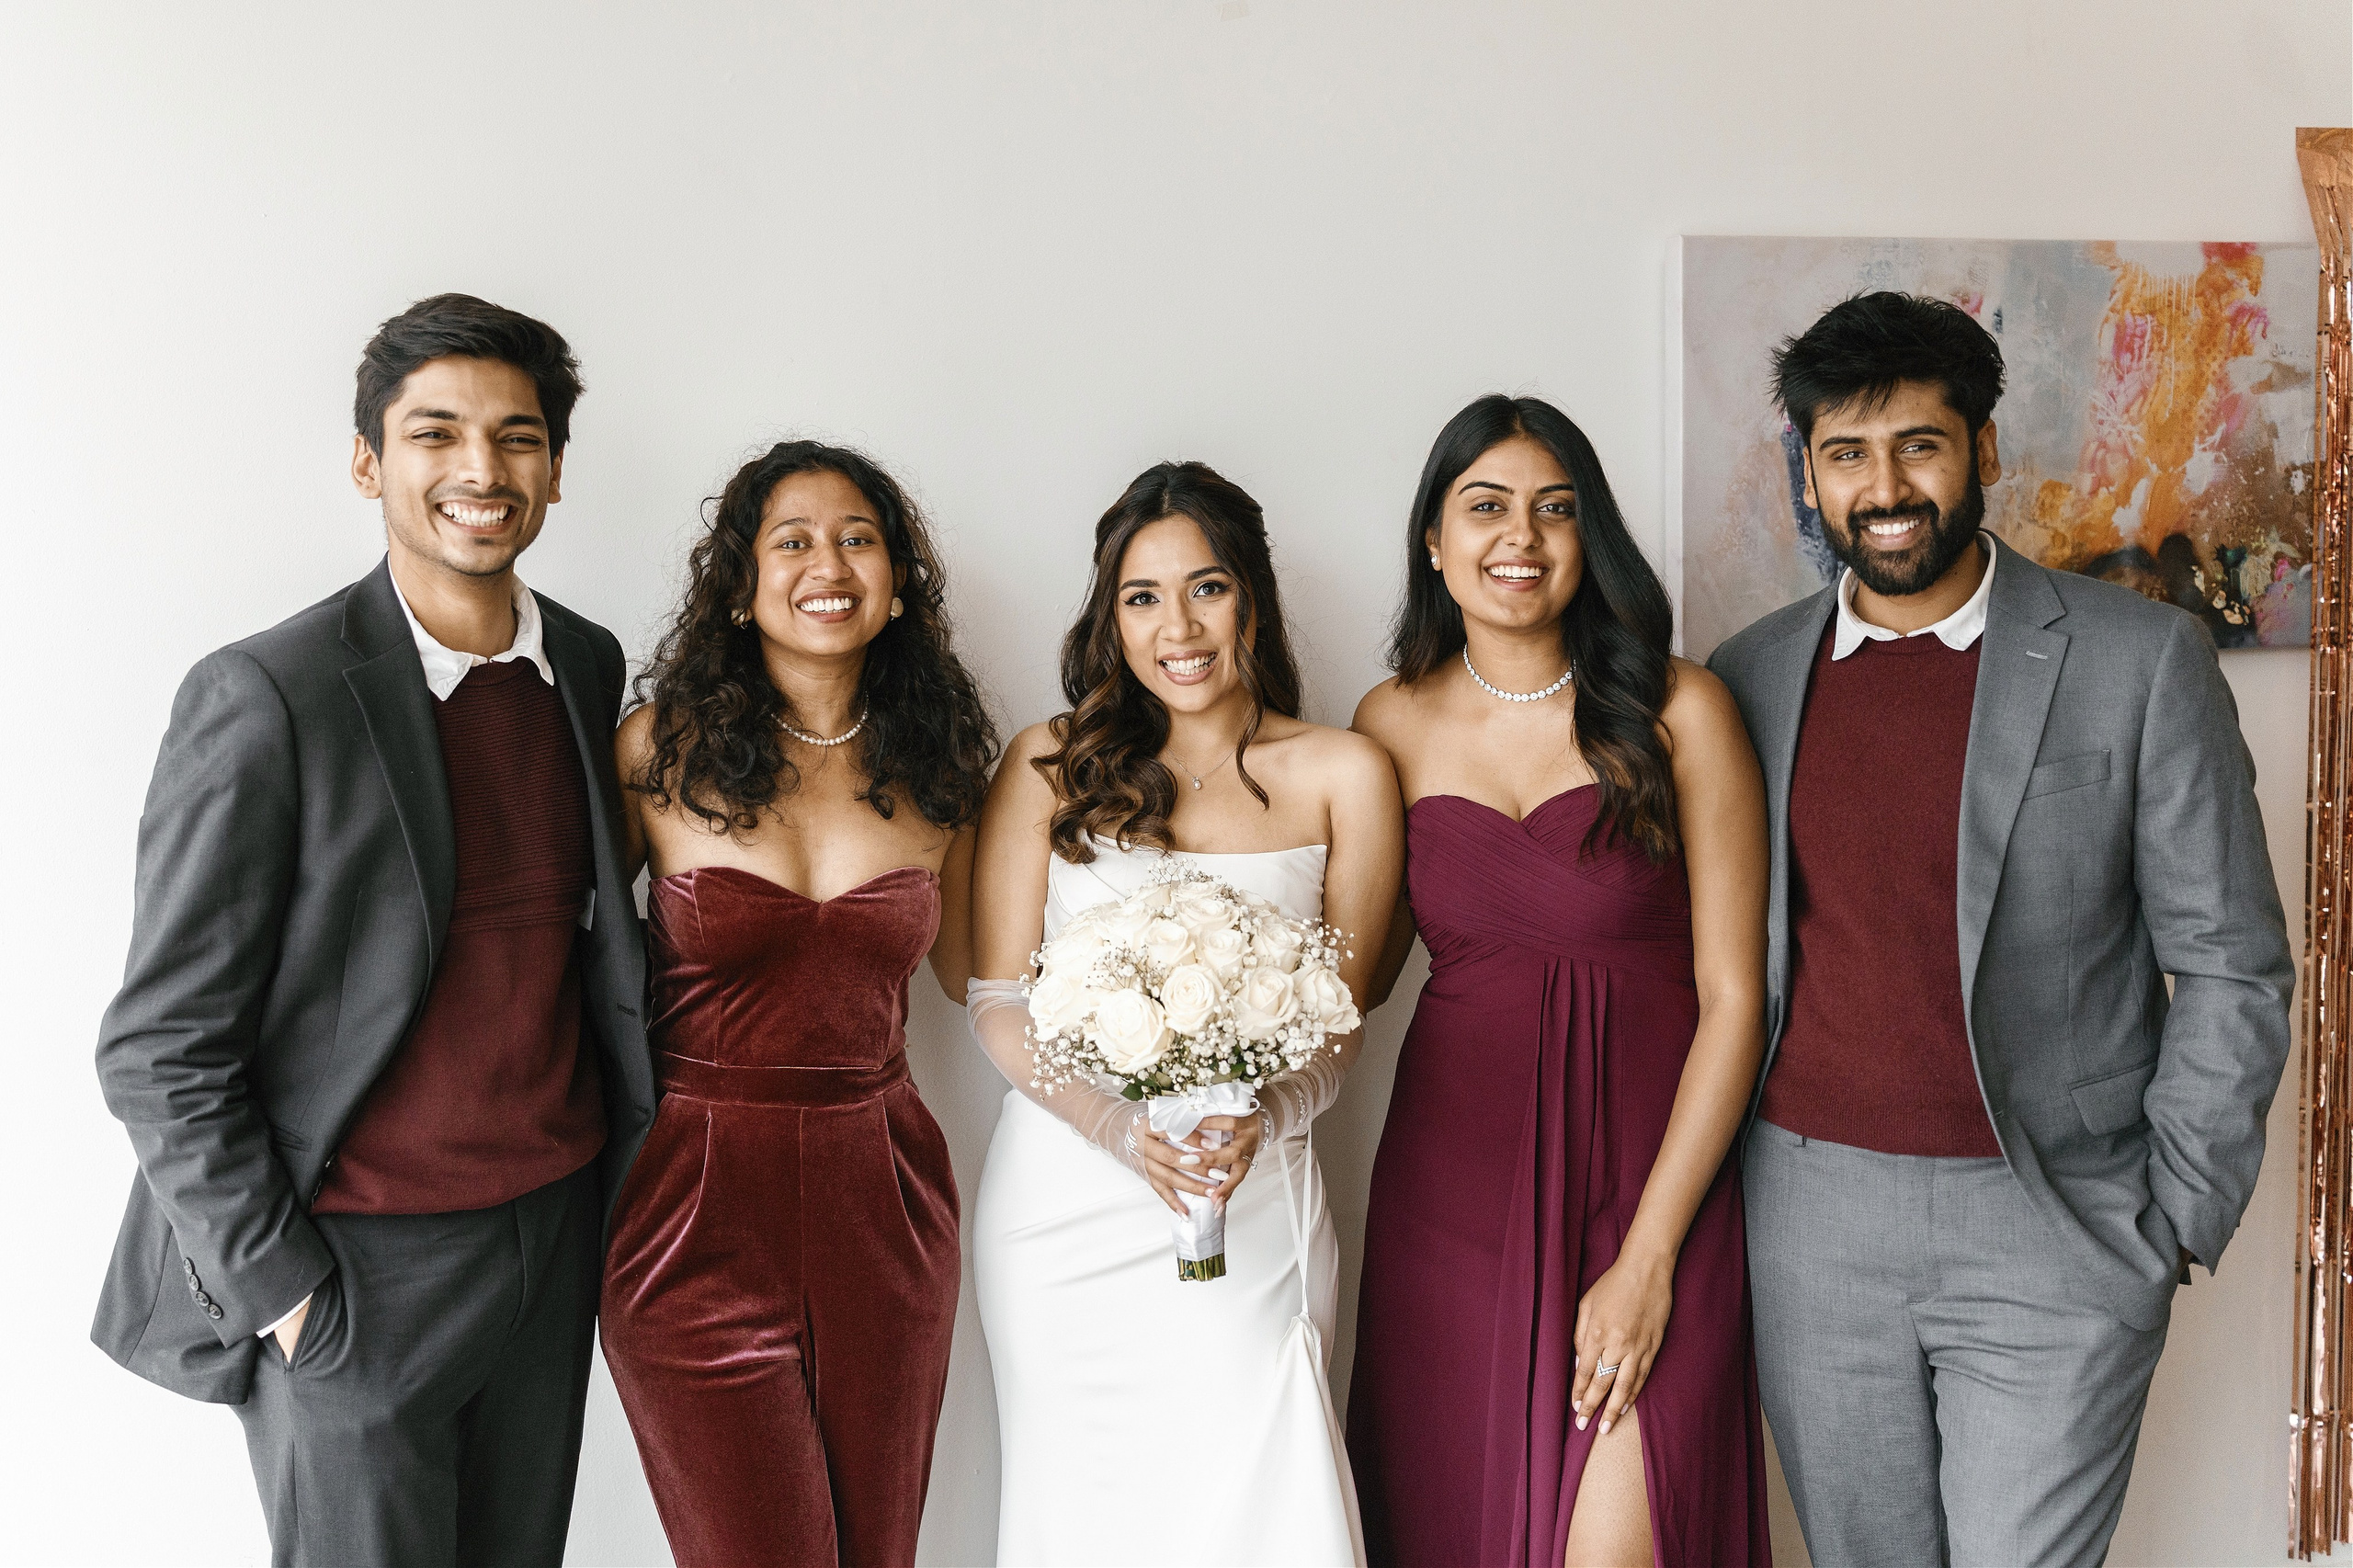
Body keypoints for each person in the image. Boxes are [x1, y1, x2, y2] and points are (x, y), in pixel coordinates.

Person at [1708, 290, 2296, 1566]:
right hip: (1812, 1222)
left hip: (2054, 1217)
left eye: (1919, 443)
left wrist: (2175, 1215)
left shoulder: (2140, 662)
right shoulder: (1747, 678)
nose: (1886, 487)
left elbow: (2234, 963)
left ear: (1983, 451)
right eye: (1847, 454)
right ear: (1806, 476)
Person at [91, 294, 655, 1567]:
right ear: (369, 462)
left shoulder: (589, 664)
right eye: (434, 433)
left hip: (550, 1237)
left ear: (557, 472)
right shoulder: (267, 695)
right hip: (356, 1268)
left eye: (517, 439)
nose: (479, 470)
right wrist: (289, 1297)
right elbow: (156, 1048)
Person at [1345, 395, 1773, 1568]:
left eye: (1554, 508)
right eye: (1484, 507)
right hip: (1452, 1199)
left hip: (1650, 1181)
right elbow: (1355, 974)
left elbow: (1736, 996)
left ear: (1590, 539)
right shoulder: (1386, 722)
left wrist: (1647, 1258)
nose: (1518, 537)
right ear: (1434, 539)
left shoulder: (1681, 710)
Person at [966, 460, 1404, 1567]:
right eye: (1143, 596)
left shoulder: (1345, 771)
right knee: (1083, 1512)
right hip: (1064, 1200)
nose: (1180, 626)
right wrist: (1118, 1127)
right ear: (1110, 617)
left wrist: (1275, 1111)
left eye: (1206, 587)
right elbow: (996, 1001)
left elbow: (1343, 1014)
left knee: (1264, 1497)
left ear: (1251, 594)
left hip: (1247, 1192)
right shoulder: (1048, 763)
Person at [600, 441, 994, 1568]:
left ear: (899, 580)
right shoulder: (655, 752)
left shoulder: (942, 769)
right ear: (739, 585)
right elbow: (554, 955)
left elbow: (977, 977)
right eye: (793, 541)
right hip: (690, 1203)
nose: (829, 563)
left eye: (858, 538)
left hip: (887, 1196)